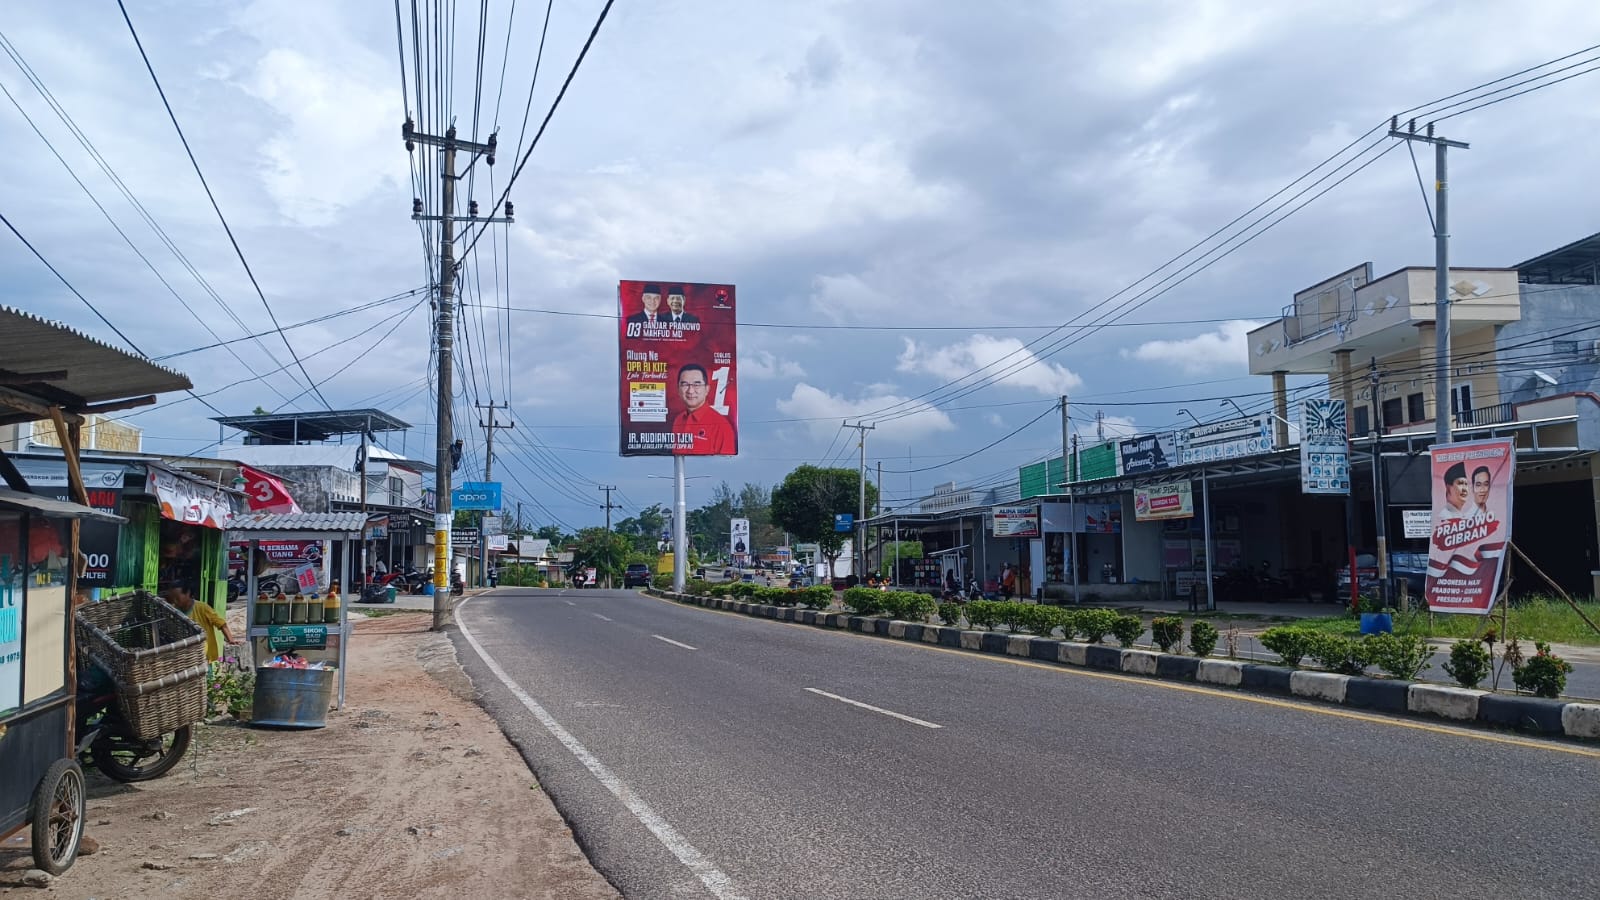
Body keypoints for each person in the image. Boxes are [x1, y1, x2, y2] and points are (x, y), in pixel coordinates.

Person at [164, 581, 236, 665]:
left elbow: (221, 624)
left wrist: (231, 640)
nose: (175, 601)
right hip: (186, 656)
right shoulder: (173, 611)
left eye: (177, 598)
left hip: (204, 656)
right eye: (172, 598)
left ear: (187, 593)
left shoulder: (202, 608)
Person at [671, 363, 735, 454]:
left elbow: (726, 465)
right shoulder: (678, 420)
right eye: (685, 384)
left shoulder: (721, 426)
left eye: (696, 385)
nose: (690, 391)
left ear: (707, 389)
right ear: (678, 389)